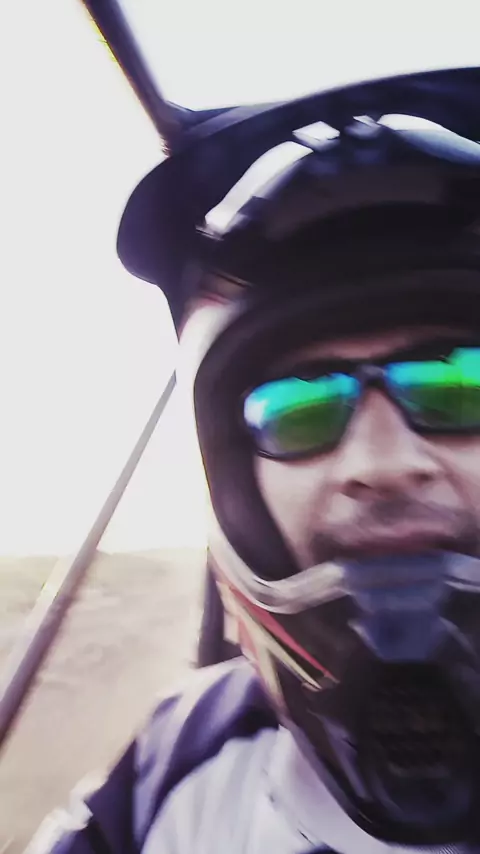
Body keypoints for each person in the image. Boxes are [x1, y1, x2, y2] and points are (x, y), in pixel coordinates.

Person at [30, 67, 480, 853]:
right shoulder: (177, 758)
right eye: (301, 410)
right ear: (235, 477)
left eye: (455, 388)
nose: (380, 462)